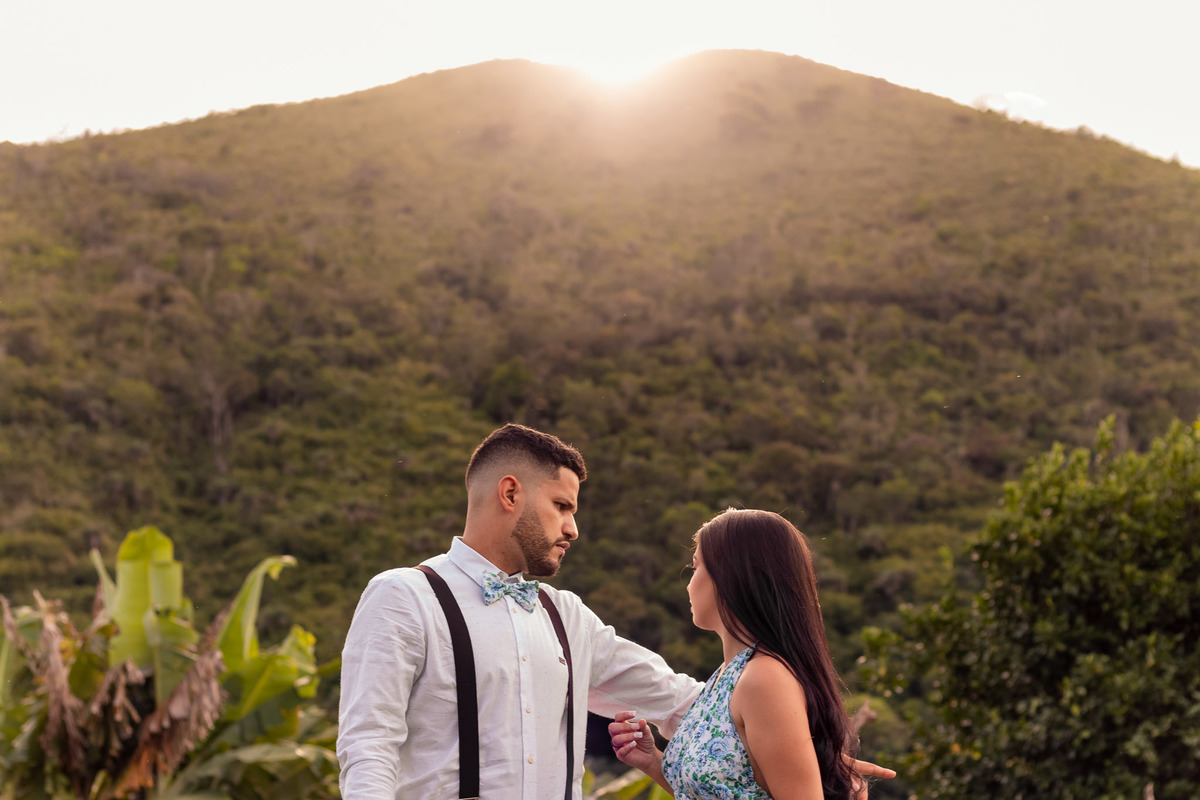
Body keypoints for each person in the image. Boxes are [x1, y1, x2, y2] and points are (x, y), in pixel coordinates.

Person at [338, 424, 892, 799]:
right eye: (561, 507)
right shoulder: (403, 597)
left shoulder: (566, 616)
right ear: (509, 493)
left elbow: (683, 701)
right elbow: (368, 746)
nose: (573, 528)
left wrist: (809, 747)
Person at [609, 508, 870, 799]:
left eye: (696, 567)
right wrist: (651, 761)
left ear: (729, 577)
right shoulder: (729, 674)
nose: (689, 583)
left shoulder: (764, 678)